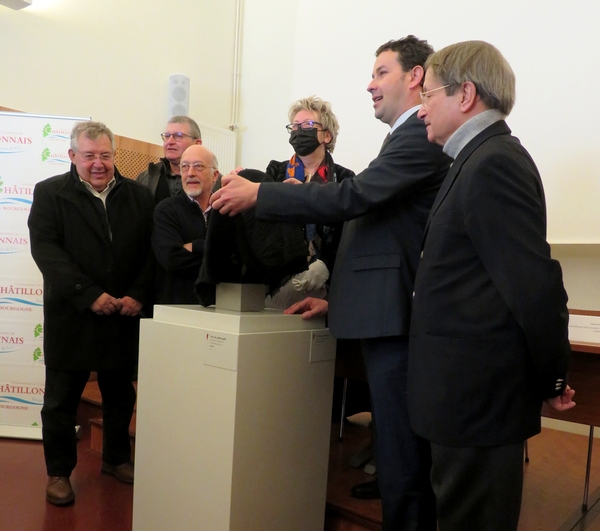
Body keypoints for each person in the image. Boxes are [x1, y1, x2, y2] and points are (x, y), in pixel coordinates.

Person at [211, 36, 452, 531]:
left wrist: (262, 194)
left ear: (416, 77)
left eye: (381, 72)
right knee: (396, 456)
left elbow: (355, 199)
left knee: (403, 463)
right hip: (379, 313)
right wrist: (334, 297)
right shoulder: (403, 137)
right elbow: (374, 234)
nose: (369, 84)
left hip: (395, 320)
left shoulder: (418, 137)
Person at [409, 40, 575, 531]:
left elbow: (534, 289)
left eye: (428, 96)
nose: (421, 111)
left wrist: (553, 377)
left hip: (477, 404)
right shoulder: (473, 160)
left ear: (465, 94)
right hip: (463, 402)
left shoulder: (494, 163)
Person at [28, 121, 155, 506]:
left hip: (124, 315)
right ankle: (59, 474)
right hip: (74, 316)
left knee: (120, 395)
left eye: (105, 155)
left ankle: (117, 459)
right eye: (89, 156)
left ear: (114, 156)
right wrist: (90, 294)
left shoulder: (139, 196)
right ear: (72, 156)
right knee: (60, 401)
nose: (98, 164)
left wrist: (138, 294)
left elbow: (154, 253)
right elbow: (47, 252)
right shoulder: (50, 193)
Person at [264, 96, 354, 309]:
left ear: (327, 135)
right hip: (279, 278)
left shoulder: (344, 178)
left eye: (308, 125)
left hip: (325, 282)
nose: (299, 131)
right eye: (294, 126)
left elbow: (347, 232)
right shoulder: (276, 171)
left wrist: (326, 264)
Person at [152, 145, 219, 304]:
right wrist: (216, 254)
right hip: (177, 307)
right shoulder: (166, 211)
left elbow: (237, 258)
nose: (190, 173)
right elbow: (171, 260)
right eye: (185, 167)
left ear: (215, 175)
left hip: (220, 307)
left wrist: (194, 247)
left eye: (198, 166)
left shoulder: (226, 211)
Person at [136, 115, 202, 204]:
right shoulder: (146, 177)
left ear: (197, 143)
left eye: (178, 136)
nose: (170, 142)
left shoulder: (215, 181)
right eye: (167, 136)